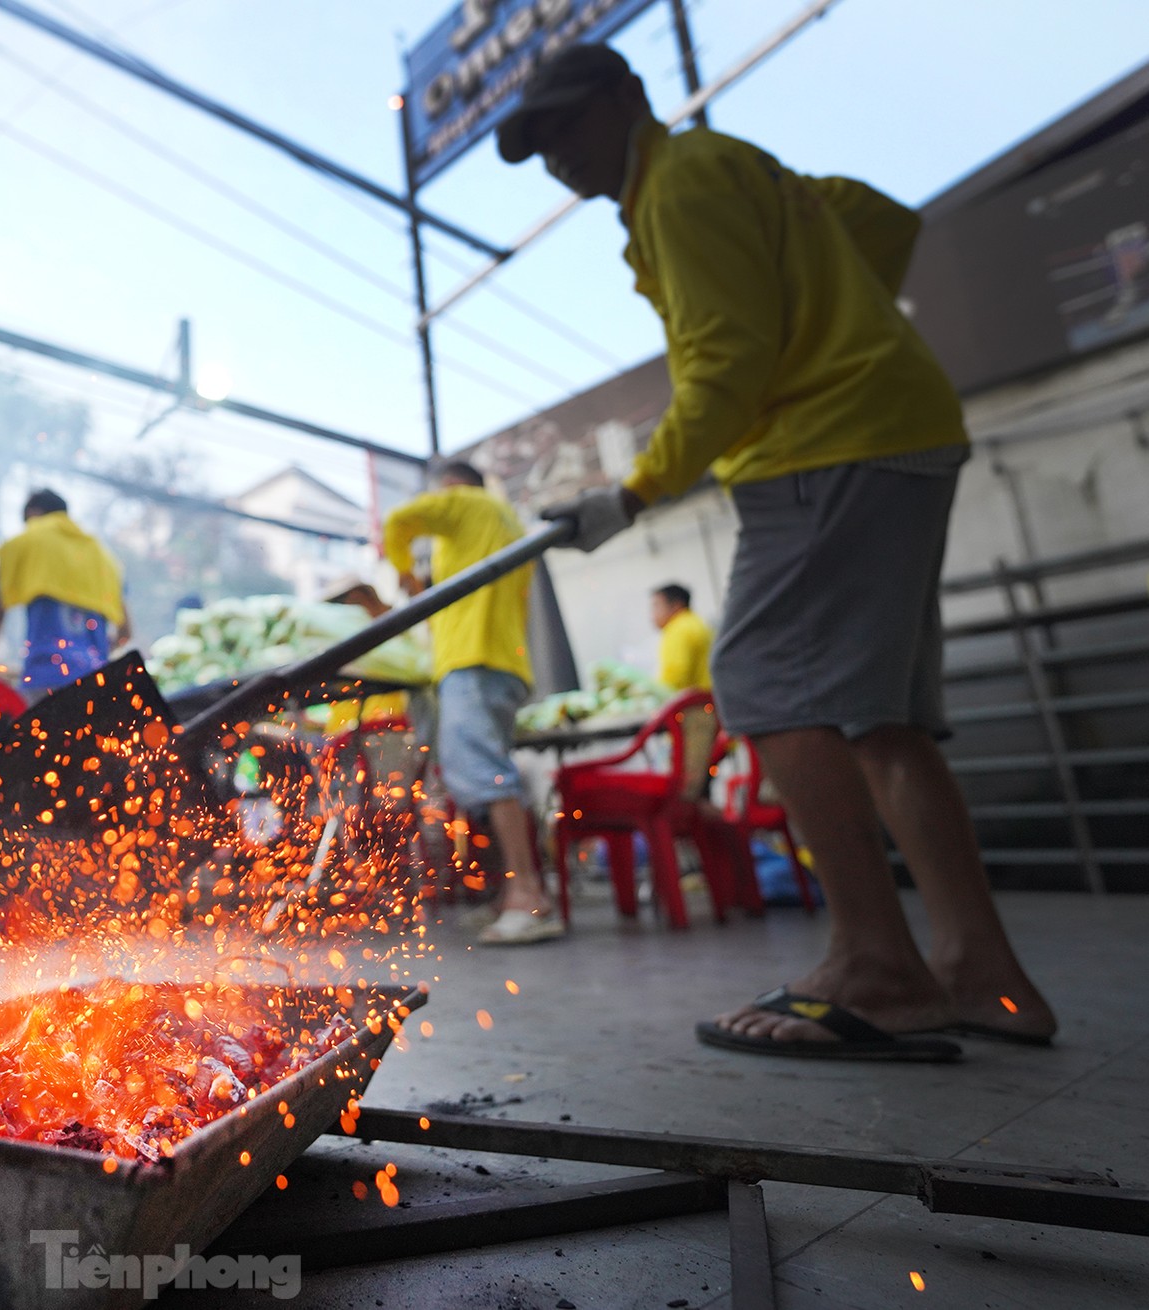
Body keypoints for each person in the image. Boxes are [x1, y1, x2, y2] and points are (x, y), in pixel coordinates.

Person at [504, 44, 1054, 1054]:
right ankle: (981, 970)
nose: (553, 156)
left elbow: (727, 359)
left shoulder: (676, 184)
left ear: (627, 97)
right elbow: (883, 222)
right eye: (536, 145)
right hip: (891, 428)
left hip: (823, 443)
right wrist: (838, 312)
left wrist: (633, 490)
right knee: (883, 724)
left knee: (761, 681)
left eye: (564, 125)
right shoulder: (738, 171)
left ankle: (878, 967)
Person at [383, 460, 562, 945]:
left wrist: (405, 573)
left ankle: (529, 898)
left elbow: (396, 523)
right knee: (491, 776)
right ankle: (512, 895)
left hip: (471, 661)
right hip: (504, 664)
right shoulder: (504, 521)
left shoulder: (464, 504)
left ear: (450, 488)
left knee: (484, 774)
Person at [0, 489, 129, 696]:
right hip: (99, 684)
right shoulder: (104, 558)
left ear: (32, 514)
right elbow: (125, 634)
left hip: (45, 678)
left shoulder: (27, 543)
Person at [650, 583, 713, 693]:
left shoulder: (677, 629)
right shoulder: (697, 622)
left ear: (676, 605)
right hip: (711, 697)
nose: (652, 614)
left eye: (656, 606)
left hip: (694, 704)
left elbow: (675, 676)